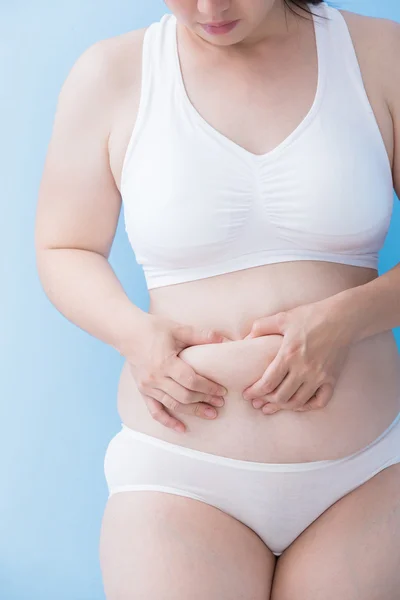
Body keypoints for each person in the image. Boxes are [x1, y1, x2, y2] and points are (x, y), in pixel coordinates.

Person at [34, 0, 400, 597]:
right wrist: (135, 334)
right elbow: (64, 246)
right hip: (180, 479)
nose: (208, 8)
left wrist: (347, 318)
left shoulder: (382, 56)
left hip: (367, 476)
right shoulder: (113, 74)